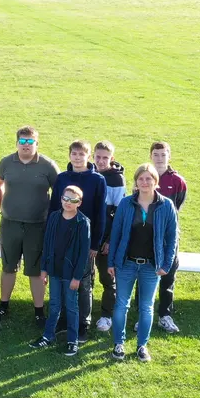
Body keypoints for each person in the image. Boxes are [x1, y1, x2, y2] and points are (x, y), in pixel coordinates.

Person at [105, 162, 179, 362]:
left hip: (151, 266)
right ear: (136, 182)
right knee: (121, 305)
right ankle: (118, 344)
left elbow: (172, 238)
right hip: (126, 263)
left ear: (155, 181)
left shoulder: (166, 205)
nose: (144, 182)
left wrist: (166, 264)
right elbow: (116, 233)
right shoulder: (126, 203)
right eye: (141, 179)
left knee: (146, 307)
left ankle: (141, 346)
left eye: (148, 178)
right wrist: (111, 262)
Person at [0, 126, 59, 325]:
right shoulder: (6, 162)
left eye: (30, 142)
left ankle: (39, 311)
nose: (26, 145)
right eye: (22, 141)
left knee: (36, 270)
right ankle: (3, 306)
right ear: (17, 143)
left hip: (37, 226)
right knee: (8, 267)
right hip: (10, 224)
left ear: (37, 144)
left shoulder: (48, 165)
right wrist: (3, 206)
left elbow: (59, 191)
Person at [47, 140, 108, 342]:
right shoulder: (62, 178)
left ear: (88, 156)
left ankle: (83, 323)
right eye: (74, 153)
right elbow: (53, 208)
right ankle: (64, 319)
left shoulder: (98, 180)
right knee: (62, 278)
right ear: (69, 155)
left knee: (82, 282)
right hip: (62, 238)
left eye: (82, 154)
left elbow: (100, 213)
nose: (77, 157)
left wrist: (95, 244)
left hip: (85, 241)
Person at [30, 184, 90, 356]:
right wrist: (44, 270)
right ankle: (48, 336)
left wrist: (77, 277)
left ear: (79, 203)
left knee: (71, 306)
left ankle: (73, 340)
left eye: (73, 200)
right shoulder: (54, 217)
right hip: (54, 270)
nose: (68, 202)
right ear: (61, 199)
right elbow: (47, 244)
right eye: (66, 198)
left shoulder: (83, 222)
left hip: (70, 273)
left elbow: (83, 253)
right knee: (54, 304)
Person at [150, 141, 189, 335]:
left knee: (168, 274)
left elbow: (177, 206)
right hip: (147, 235)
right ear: (150, 156)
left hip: (169, 236)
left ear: (169, 156)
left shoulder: (178, 181)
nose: (159, 158)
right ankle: (144, 315)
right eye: (156, 154)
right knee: (146, 274)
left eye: (163, 154)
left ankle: (165, 315)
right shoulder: (145, 177)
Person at [91, 141, 126, 334]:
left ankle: (107, 315)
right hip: (87, 236)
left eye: (105, 158)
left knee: (108, 278)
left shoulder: (117, 179)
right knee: (84, 277)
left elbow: (119, 213)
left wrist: (110, 240)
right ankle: (83, 312)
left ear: (111, 159)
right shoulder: (88, 173)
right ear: (92, 156)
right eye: (98, 157)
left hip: (106, 239)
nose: (101, 161)